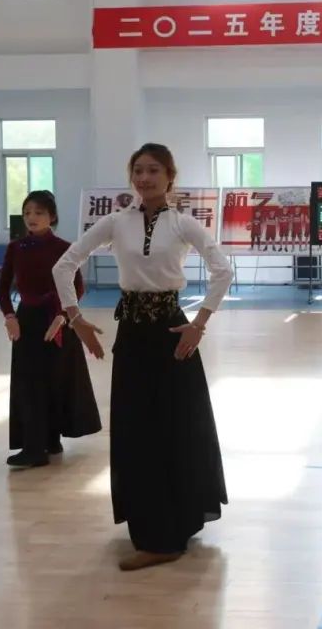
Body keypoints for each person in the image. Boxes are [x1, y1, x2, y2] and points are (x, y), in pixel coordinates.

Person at [51, 143, 234, 571]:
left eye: (154, 170)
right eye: (138, 170)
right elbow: (64, 265)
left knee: (176, 428)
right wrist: (75, 318)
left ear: (170, 176)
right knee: (138, 432)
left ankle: (172, 530)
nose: (145, 178)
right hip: (133, 336)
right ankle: (153, 530)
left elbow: (223, 270)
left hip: (172, 336)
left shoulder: (183, 223)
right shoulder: (116, 222)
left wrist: (199, 323)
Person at [0, 190, 100, 469]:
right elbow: (3, 288)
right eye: (27, 212)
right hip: (27, 321)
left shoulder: (65, 248)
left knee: (56, 380)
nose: (31, 217)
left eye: (39, 212)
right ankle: (34, 447)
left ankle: (51, 439)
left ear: (52, 216)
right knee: (29, 383)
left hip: (58, 320)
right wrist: (9, 316)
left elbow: (77, 287)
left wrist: (62, 317)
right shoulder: (16, 248)